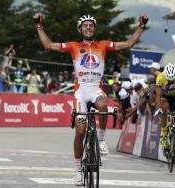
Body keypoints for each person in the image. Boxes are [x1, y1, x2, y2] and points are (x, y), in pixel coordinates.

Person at [33, 12, 148, 185]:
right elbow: (48, 45)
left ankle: (101, 139)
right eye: (85, 25)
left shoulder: (102, 45)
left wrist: (141, 26)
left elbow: (129, 43)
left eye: (91, 25)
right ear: (80, 29)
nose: (88, 27)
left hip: (96, 89)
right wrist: (39, 26)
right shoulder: (73, 46)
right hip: (80, 92)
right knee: (80, 131)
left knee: (103, 104)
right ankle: (78, 170)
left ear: (94, 29)